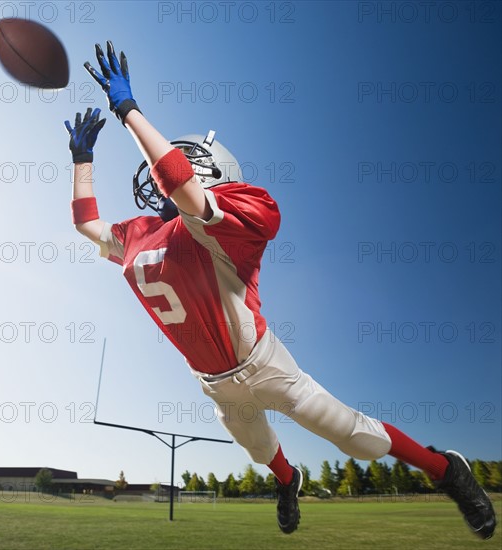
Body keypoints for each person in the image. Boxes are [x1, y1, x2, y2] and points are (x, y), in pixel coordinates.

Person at [64, 41, 496, 538]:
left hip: (265, 363)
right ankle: (288, 483)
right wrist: (82, 159)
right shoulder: (138, 234)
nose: (162, 164)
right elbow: (88, 225)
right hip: (214, 379)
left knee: (353, 437)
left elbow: (181, 187)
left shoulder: (240, 207)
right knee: (257, 448)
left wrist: (130, 111)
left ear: (215, 172)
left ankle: (447, 470)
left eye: (182, 158)